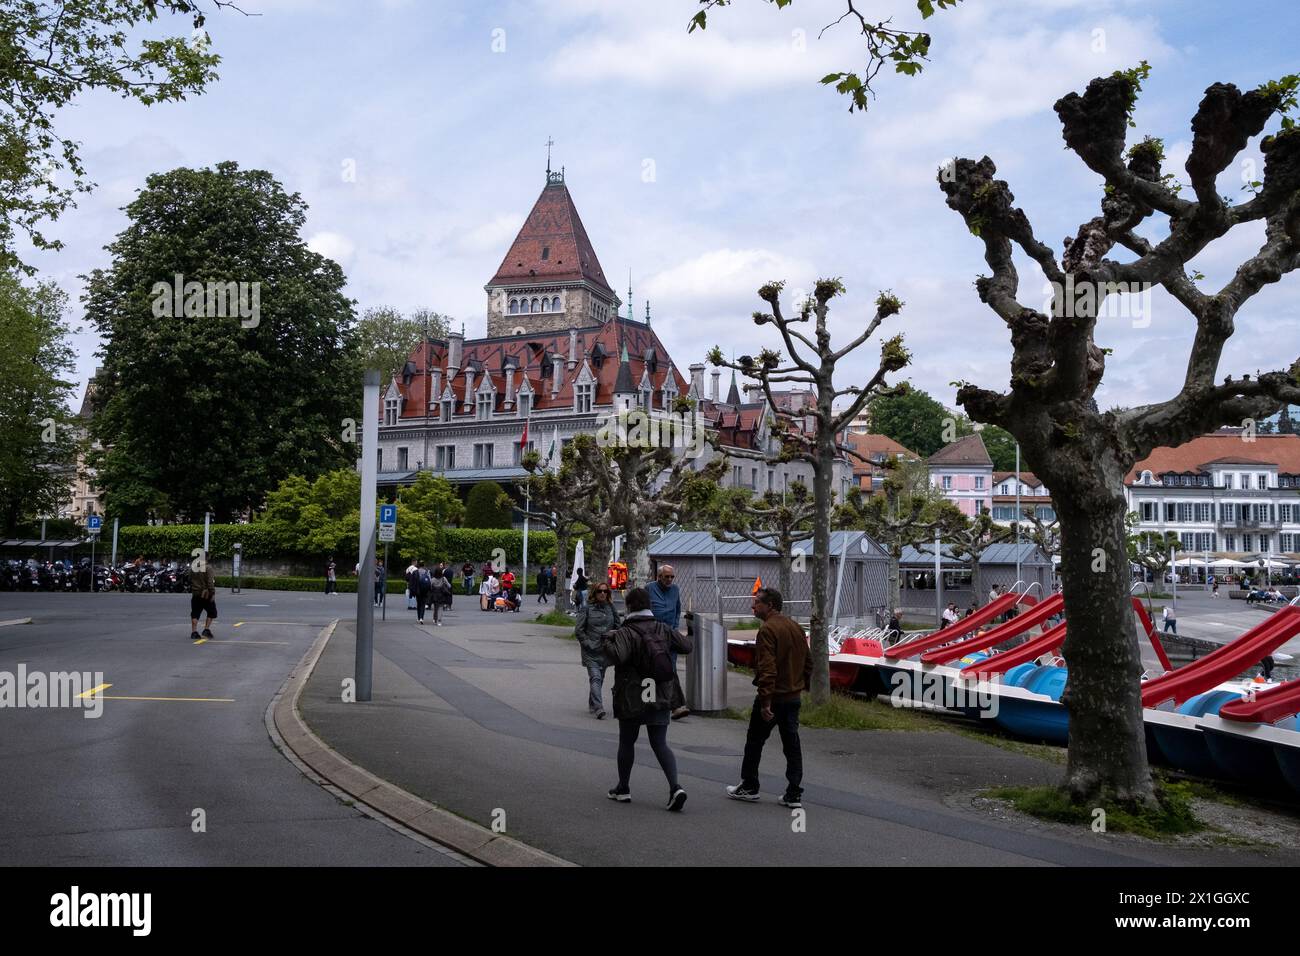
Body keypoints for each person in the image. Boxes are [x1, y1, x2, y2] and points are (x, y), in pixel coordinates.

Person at [601, 586, 691, 810]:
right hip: (660, 692)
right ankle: (675, 787)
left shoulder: (625, 632)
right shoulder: (662, 627)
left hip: (632, 694)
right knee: (659, 742)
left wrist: (607, 640)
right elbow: (686, 646)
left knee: (627, 741)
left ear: (629, 607)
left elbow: (618, 656)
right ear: (649, 606)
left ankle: (623, 788)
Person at [726, 587, 809, 809]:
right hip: (793, 695)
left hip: (774, 697)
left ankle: (749, 785)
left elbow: (768, 669)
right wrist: (800, 686)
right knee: (791, 744)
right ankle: (794, 792)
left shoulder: (767, 630)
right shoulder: (796, 627)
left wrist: (765, 701)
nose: (753, 606)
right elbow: (808, 662)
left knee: (755, 740)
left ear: (769, 605)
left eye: (757, 602)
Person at [647, 564, 688, 719]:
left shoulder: (675, 589)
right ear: (659, 577)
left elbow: (678, 609)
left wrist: (675, 627)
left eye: (672, 577)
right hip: (653, 634)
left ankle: (676, 706)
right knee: (652, 669)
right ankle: (650, 701)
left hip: (670, 634)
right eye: (666, 577)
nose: (670, 579)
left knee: (671, 668)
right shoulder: (649, 588)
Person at [576, 582, 620, 718]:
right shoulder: (587, 608)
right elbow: (579, 630)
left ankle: (592, 703)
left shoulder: (611, 608)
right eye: (600, 591)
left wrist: (612, 637)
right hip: (590, 651)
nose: (602, 594)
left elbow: (618, 627)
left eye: (605, 591)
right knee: (595, 677)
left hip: (605, 650)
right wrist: (587, 643)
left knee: (600, 678)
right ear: (594, 593)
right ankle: (599, 707)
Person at [189, 556, 218, 641]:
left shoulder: (193, 568)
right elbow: (210, 582)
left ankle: (194, 632)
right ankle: (206, 629)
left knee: (195, 613)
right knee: (212, 611)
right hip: (206, 594)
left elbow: (189, 579)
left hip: (196, 593)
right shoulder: (208, 568)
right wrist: (212, 593)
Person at [414, 560, 433, 625]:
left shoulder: (416, 572)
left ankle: (418, 617)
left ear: (418, 565)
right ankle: (422, 618)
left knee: (418, 604)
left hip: (418, 590)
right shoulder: (427, 572)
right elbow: (429, 581)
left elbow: (414, 581)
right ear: (424, 565)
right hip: (425, 591)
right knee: (423, 604)